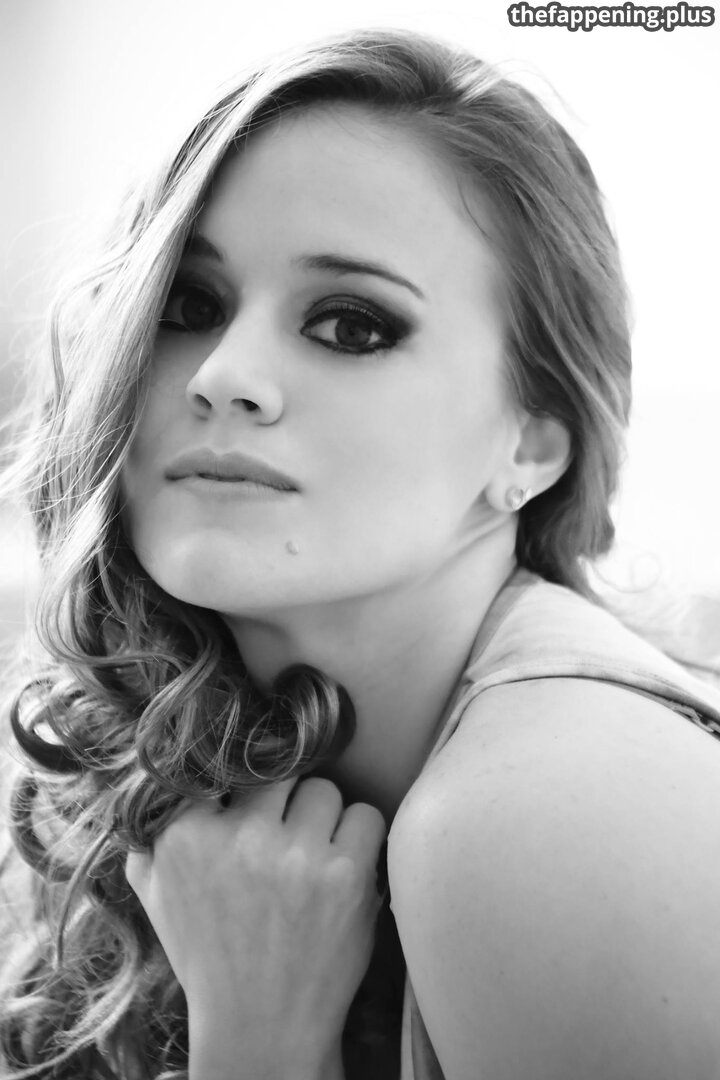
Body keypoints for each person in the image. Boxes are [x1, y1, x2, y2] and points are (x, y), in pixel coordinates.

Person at [1, 25, 720, 1080]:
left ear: (530, 446)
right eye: (190, 306)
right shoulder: (198, 761)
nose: (223, 375)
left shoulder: (543, 815)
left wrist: (261, 1041)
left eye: (350, 325)